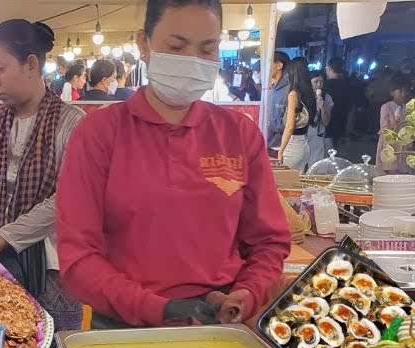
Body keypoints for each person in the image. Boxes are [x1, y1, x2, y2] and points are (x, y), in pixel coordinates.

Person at [56, 0, 291, 329]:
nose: (192, 61)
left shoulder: (239, 134)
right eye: (177, 46)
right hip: (124, 329)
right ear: (144, 44)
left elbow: (269, 241)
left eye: (207, 49)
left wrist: (246, 294)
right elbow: (78, 258)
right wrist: (162, 309)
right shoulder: (98, 134)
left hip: (221, 326)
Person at [0, 20, 87, 331]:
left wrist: (3, 238)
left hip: (53, 269)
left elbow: (68, 199)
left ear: (31, 64)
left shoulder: (72, 123)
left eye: (0, 68)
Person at [276, 57, 315, 172]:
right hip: (304, 144)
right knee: (297, 183)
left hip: (292, 145)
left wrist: (281, 150)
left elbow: (289, 127)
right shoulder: (308, 94)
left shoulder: (293, 94)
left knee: (284, 183)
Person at [377, 76, 411, 174]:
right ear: (392, 92)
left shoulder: (406, 108)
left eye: (405, 92)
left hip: (403, 147)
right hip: (390, 146)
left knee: (402, 172)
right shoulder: (386, 107)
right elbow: (384, 129)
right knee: (391, 171)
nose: (403, 95)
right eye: (400, 92)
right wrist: (395, 124)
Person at [306, 72, 334, 166]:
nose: (319, 85)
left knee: (315, 165)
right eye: (316, 81)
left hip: (318, 135)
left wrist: (322, 107)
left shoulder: (327, 98)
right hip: (304, 136)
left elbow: (326, 122)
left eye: (321, 82)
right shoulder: (304, 96)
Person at [323, 58, 351, 144]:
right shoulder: (347, 85)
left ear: (330, 69)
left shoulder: (325, 86)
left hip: (328, 121)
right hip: (341, 121)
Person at [267, 51, 291, 150]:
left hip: (281, 145)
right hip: (268, 141)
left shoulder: (289, 89)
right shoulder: (270, 87)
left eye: (269, 63)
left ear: (279, 65)